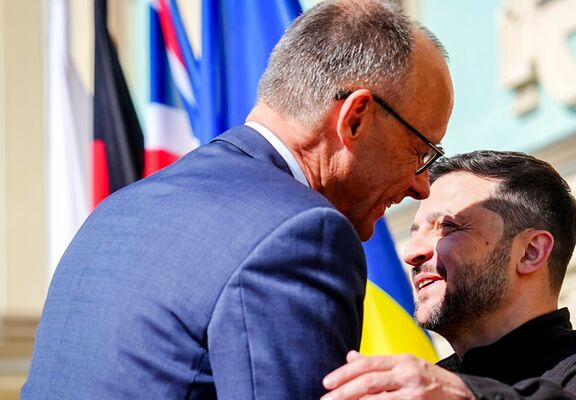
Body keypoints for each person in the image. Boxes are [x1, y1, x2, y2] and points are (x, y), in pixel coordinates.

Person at [23, 0, 453, 398]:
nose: (421, 187)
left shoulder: (117, 211)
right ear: (355, 118)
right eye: (421, 153)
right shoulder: (302, 234)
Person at [322, 151, 576, 399]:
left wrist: (462, 394)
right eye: (415, 232)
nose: (412, 252)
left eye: (448, 227)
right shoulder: (431, 384)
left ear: (530, 252)